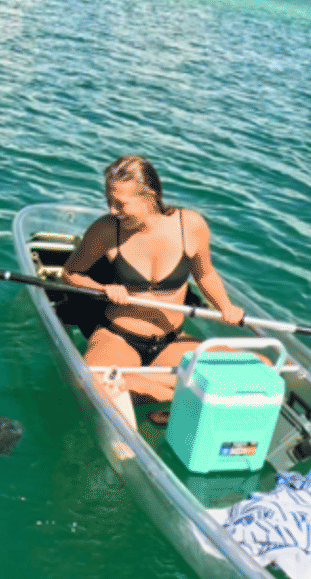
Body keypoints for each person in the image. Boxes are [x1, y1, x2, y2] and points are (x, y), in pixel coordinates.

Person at [60, 155, 245, 408]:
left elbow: (205, 274)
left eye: (120, 204)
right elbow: (70, 274)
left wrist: (225, 305)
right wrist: (103, 288)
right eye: (109, 201)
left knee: (260, 367)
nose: (112, 211)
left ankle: (137, 385)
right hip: (118, 339)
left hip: (172, 342)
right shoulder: (106, 229)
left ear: (150, 195)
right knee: (91, 384)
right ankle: (172, 396)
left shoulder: (190, 225)